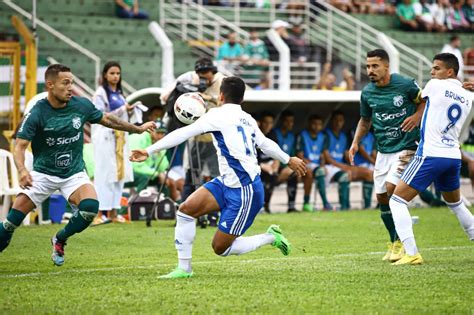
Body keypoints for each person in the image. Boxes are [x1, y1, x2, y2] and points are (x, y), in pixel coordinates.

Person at [130, 77, 306, 279]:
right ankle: (184, 269)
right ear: (242, 97)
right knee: (186, 211)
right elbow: (266, 144)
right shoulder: (247, 118)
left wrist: (148, 150)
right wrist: (288, 158)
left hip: (245, 190)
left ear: (221, 95)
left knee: (220, 248)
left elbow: (183, 133)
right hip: (227, 182)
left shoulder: (217, 115)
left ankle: (270, 237)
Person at [0, 64, 155, 264]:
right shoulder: (37, 113)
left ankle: (60, 238)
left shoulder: (81, 105)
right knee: (11, 223)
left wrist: (137, 128)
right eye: (65, 83)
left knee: (90, 208)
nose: (70, 87)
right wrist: (22, 170)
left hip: (73, 173)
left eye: (72, 83)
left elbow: (108, 119)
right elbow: (19, 146)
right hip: (43, 174)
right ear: (50, 85)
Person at [389, 53, 474, 265]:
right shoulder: (468, 95)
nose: (432, 72)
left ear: (450, 72)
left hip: (431, 154)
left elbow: (417, 97)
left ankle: (412, 253)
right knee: (456, 204)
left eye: (436, 68)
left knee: (397, 201)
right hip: (453, 156)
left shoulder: (435, 85)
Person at [349, 49, 425, 262]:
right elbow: (365, 121)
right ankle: (395, 242)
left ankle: (405, 244)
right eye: (368, 66)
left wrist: (417, 116)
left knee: (393, 189)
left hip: (407, 146)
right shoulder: (367, 93)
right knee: (382, 196)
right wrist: (355, 143)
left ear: (386, 67)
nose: (370, 70)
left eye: (375, 66)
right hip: (383, 151)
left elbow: (424, 101)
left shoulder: (405, 84)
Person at [91, 61, 135, 224]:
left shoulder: (120, 94)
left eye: (118, 73)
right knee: (104, 174)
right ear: (105, 75)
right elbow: (99, 115)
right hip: (105, 138)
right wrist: (123, 109)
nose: (115, 76)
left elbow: (122, 117)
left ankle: (114, 212)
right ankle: (100, 213)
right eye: (112, 73)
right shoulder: (100, 93)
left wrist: (130, 111)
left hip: (120, 139)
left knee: (119, 175)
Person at [323, 111, 374, 210]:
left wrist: (352, 164)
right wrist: (344, 167)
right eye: (336, 120)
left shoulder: (343, 136)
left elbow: (347, 154)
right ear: (331, 121)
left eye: (341, 121)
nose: (338, 123)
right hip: (330, 166)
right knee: (346, 174)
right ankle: (344, 206)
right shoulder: (326, 134)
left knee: (368, 173)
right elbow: (327, 158)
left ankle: (367, 207)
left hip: (341, 166)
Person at [295, 115, 332, 211]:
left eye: (319, 124)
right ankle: (307, 203)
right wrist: (306, 162)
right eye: (314, 124)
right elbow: (300, 155)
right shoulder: (302, 135)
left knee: (321, 171)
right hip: (304, 163)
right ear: (309, 124)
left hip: (316, 165)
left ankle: (325, 204)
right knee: (311, 173)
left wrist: (323, 165)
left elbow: (323, 155)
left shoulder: (323, 136)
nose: (316, 126)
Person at [273, 110, 299, 212]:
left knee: (294, 173)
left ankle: (291, 206)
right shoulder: (275, 133)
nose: (289, 124)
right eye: (287, 121)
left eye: (291, 121)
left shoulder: (292, 137)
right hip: (274, 164)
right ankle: (264, 206)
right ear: (281, 121)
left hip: (286, 166)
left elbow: (292, 155)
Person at [256, 111, 280, 213]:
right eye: (265, 122)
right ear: (260, 123)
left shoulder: (272, 133)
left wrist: (276, 163)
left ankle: (266, 205)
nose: (267, 125)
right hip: (256, 166)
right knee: (262, 176)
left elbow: (276, 152)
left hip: (269, 165)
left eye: (270, 123)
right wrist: (261, 165)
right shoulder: (254, 134)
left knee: (288, 173)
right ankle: (259, 205)